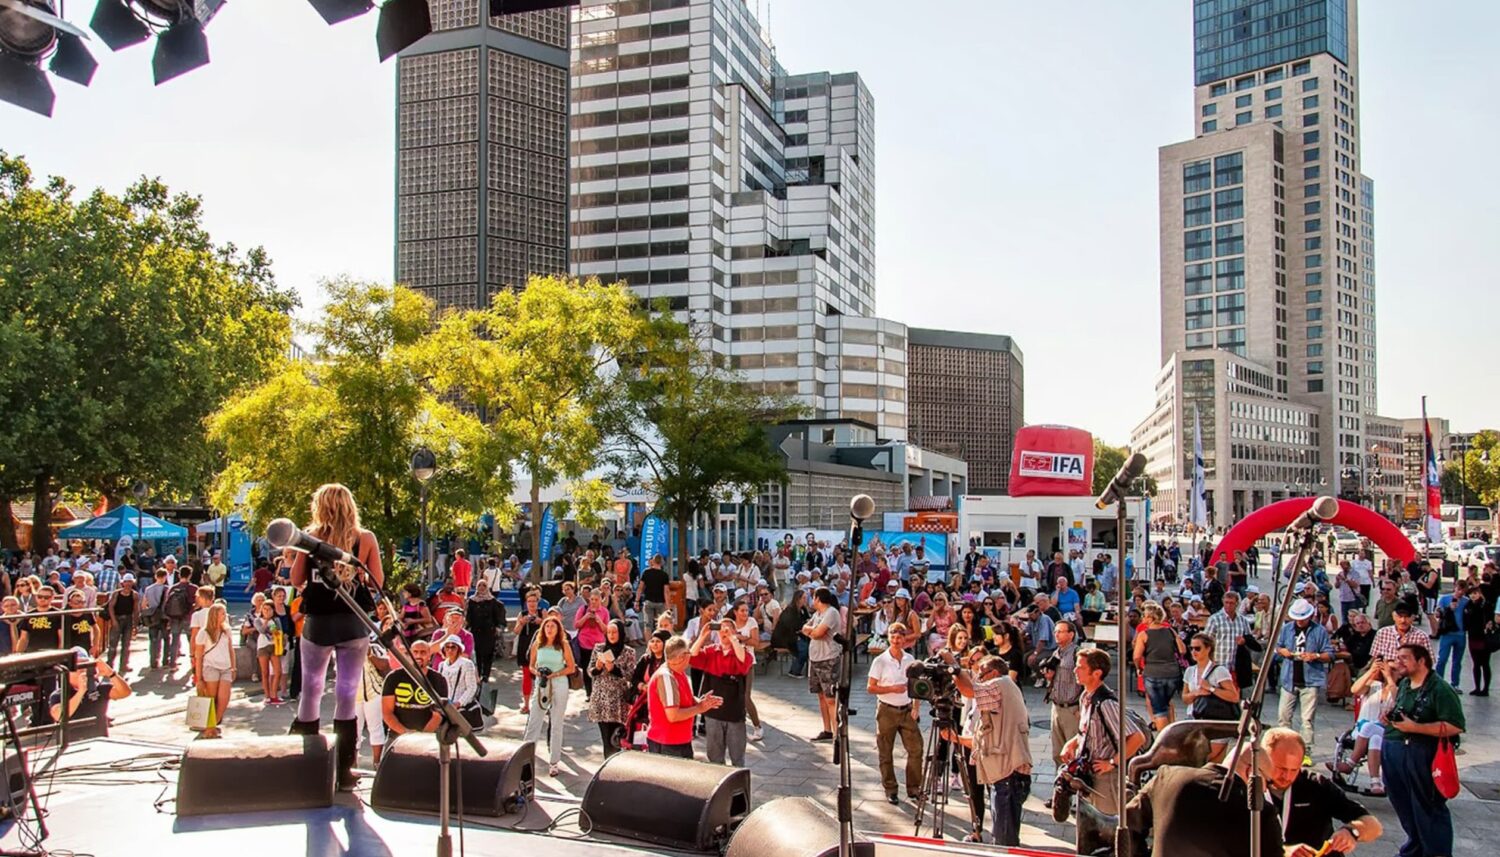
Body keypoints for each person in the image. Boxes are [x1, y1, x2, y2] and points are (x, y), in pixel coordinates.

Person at [284, 483, 385, 792]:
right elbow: (378, 581)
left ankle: (308, 762)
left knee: (311, 689)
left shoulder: (310, 537)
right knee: (346, 693)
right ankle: (344, 769)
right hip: (352, 622)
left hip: (317, 622)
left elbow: (296, 579)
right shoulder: (365, 538)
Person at [1124, 745, 1284, 857]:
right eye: (1268, 782)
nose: (1265, 790)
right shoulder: (1259, 813)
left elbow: (1127, 823)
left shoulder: (1167, 777)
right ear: (1251, 772)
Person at [1382, 642, 1465, 857]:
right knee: (1404, 807)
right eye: (1397, 657)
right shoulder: (1404, 685)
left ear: (1421, 661)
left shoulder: (1440, 689)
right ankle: (1415, 849)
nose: (1398, 662)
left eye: (1404, 658)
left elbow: (1455, 726)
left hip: (1421, 754)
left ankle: (1436, 852)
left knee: (1428, 808)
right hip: (1395, 751)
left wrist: (1416, 728)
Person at [1259, 726, 1382, 857]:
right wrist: (1283, 852)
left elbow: (1373, 825)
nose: (1287, 776)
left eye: (1294, 769)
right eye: (1281, 768)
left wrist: (1352, 832)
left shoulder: (1316, 784)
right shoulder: (1245, 788)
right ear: (1263, 760)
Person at [951, 653, 1032, 846]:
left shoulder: (1002, 684)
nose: (979, 678)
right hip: (1003, 773)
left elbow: (969, 690)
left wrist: (952, 667)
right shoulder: (1004, 687)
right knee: (1003, 833)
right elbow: (981, 740)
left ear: (993, 672)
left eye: (981, 673)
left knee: (1004, 840)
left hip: (1007, 774)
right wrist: (956, 738)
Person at [1059, 647, 1145, 816]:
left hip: (1107, 777)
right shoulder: (1086, 696)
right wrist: (1071, 744)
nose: (1075, 670)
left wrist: (1112, 763)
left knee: (1106, 823)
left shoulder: (1106, 703)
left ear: (1097, 673)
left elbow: (1137, 738)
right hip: (1089, 772)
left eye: (1081, 667)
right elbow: (1089, 731)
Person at [867, 621, 923, 804]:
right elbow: (871, 687)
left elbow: (915, 685)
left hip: (906, 709)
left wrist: (916, 707)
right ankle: (890, 788)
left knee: (916, 749)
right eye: (893, 636)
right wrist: (891, 688)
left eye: (900, 637)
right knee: (885, 751)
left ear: (904, 638)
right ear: (889, 637)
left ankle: (914, 787)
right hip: (886, 710)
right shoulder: (880, 660)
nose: (896, 640)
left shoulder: (909, 659)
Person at [1328, 657, 1397, 798]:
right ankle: (1375, 783)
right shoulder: (1373, 685)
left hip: (1386, 731)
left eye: (1393, 669)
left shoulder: (1399, 689)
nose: (1388, 671)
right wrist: (1372, 671)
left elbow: (1397, 699)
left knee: (1372, 730)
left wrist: (1390, 678)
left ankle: (1349, 764)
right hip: (1361, 733)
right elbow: (1355, 689)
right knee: (1372, 735)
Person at [689, 616, 753, 766]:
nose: (723, 633)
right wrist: (702, 635)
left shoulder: (741, 651)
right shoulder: (712, 651)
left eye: (728, 629)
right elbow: (691, 657)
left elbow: (744, 663)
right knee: (714, 756)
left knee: (737, 757)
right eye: (721, 629)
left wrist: (733, 639)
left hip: (734, 711)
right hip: (714, 711)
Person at [646, 635, 722, 758]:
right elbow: (673, 715)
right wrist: (700, 708)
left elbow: (688, 699)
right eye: (688, 652)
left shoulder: (678, 672)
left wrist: (702, 702)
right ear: (681, 657)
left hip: (679, 741)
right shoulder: (666, 677)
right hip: (668, 743)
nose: (690, 655)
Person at [1275, 599, 1334, 749]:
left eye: (1302, 618)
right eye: (1297, 618)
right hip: (1289, 679)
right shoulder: (1287, 629)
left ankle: (1306, 750)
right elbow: (1278, 646)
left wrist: (1316, 656)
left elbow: (1330, 653)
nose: (1300, 621)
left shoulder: (1319, 631)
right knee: (1283, 717)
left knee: (1307, 720)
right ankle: (1284, 748)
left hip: (1310, 680)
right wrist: (1283, 651)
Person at [523, 614, 577, 777]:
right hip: (541, 683)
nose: (549, 629)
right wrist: (538, 672)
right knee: (534, 720)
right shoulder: (537, 644)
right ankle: (524, 759)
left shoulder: (563, 645)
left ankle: (554, 761)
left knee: (556, 723)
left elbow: (571, 668)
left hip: (559, 682)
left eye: (553, 626)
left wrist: (556, 674)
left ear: (558, 629)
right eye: (547, 626)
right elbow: (531, 665)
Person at [49, 649, 132, 741]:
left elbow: (125, 692)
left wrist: (111, 673)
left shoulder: (98, 689)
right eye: (76, 667)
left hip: (98, 742)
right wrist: (80, 692)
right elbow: (59, 716)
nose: (81, 670)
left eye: (84, 665)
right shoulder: (58, 694)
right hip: (72, 745)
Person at [587, 619, 637, 758]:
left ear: (620, 633)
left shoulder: (628, 652)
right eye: (609, 632)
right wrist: (597, 668)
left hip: (618, 701)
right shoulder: (598, 648)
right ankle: (606, 764)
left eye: (614, 632)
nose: (611, 635)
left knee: (616, 738)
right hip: (600, 700)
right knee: (605, 738)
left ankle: (614, 764)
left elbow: (631, 675)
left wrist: (614, 669)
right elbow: (589, 672)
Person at [1134, 601, 1186, 730]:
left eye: (1144, 616)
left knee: (1159, 708)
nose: (1143, 618)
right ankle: (1171, 731)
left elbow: (1136, 656)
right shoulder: (1170, 630)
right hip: (1173, 672)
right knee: (1167, 703)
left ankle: (1164, 739)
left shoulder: (1144, 634)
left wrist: (1138, 667)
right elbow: (1182, 650)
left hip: (1153, 672)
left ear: (1151, 618)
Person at [381, 638, 447, 736]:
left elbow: (438, 715)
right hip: (397, 734)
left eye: (423, 652)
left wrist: (420, 737)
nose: (418, 655)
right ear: (410, 654)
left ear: (430, 655)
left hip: (428, 736)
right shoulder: (394, 677)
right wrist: (405, 733)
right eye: (415, 652)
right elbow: (387, 712)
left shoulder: (438, 679)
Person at [802, 587, 843, 741]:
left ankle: (837, 733)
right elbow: (805, 628)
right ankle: (827, 729)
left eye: (813, 597)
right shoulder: (817, 614)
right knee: (820, 695)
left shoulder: (831, 613)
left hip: (828, 658)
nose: (812, 601)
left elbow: (819, 633)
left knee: (830, 697)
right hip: (815, 658)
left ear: (818, 598)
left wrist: (813, 631)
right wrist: (813, 630)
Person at [193, 602, 235, 739]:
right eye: (222, 613)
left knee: (224, 697)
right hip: (210, 667)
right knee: (210, 698)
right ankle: (210, 728)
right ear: (215, 615)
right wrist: (198, 678)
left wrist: (233, 667)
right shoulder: (204, 632)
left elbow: (230, 650)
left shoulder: (226, 630)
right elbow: (198, 656)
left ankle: (214, 722)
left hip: (226, 667)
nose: (225, 615)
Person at [1046, 618, 1083, 769]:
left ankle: (1074, 781)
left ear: (1071, 635)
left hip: (1072, 708)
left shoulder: (1077, 653)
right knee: (1057, 751)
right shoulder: (1056, 653)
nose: (1057, 635)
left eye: (1060, 632)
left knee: (1072, 751)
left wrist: (1082, 707)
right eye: (1055, 632)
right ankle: (1061, 781)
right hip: (1056, 707)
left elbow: (1085, 681)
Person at [435, 634, 481, 727]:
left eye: (453, 647)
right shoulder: (442, 665)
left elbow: (472, 687)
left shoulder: (466, 664)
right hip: (446, 706)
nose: (450, 650)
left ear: (458, 649)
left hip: (461, 706)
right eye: (447, 647)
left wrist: (459, 703)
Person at [512, 588, 545, 714]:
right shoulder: (522, 614)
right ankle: (526, 704)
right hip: (525, 646)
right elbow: (515, 632)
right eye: (529, 601)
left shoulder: (543, 612)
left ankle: (542, 703)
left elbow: (550, 626)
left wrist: (540, 622)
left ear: (538, 602)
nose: (531, 604)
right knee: (526, 675)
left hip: (540, 646)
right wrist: (521, 623)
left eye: (534, 601)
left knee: (541, 675)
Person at [466, 580, 505, 682]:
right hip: (476, 630)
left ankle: (486, 674)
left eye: (484, 585)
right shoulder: (472, 600)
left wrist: (497, 627)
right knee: (477, 652)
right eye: (480, 585)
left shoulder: (492, 601)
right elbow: (469, 615)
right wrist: (468, 626)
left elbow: (496, 615)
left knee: (488, 653)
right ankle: (478, 673)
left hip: (489, 631)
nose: (482, 587)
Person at [1369, 601, 1433, 663]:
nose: (1403, 621)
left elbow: (1429, 662)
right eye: (1400, 616)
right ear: (1393, 616)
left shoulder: (1421, 637)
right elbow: (1375, 658)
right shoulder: (1382, 633)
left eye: (1407, 617)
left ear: (1413, 618)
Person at [1433, 582, 1468, 688]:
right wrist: (1449, 608)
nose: (1460, 592)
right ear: (1455, 588)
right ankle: (1438, 682)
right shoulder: (1445, 599)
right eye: (1459, 589)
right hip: (1447, 633)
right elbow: (1437, 614)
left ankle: (1455, 684)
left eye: (1463, 590)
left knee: (1457, 661)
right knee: (1442, 659)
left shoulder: (1466, 601)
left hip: (1461, 634)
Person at [103, 573, 141, 672]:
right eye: (126, 582)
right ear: (122, 583)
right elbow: (111, 607)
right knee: (113, 644)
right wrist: (114, 620)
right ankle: (110, 664)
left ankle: (123, 665)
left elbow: (136, 610)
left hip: (128, 619)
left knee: (126, 644)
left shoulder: (134, 595)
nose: (128, 584)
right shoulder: (116, 593)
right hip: (117, 618)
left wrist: (135, 624)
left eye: (130, 582)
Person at [252, 601, 286, 704]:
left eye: (269, 609)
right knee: (265, 672)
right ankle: (267, 696)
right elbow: (262, 631)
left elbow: (278, 632)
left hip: (274, 646)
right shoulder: (258, 620)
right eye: (265, 609)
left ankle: (274, 694)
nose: (267, 611)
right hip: (263, 647)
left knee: (278, 671)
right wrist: (266, 620)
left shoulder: (276, 620)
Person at [637, 554, 670, 633]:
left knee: (648, 624)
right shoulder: (664, 575)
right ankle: (661, 640)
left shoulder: (646, 572)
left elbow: (640, 588)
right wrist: (668, 606)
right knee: (661, 623)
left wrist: (637, 600)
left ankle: (648, 643)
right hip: (660, 601)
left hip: (648, 600)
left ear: (653, 561)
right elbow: (666, 592)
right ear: (661, 562)